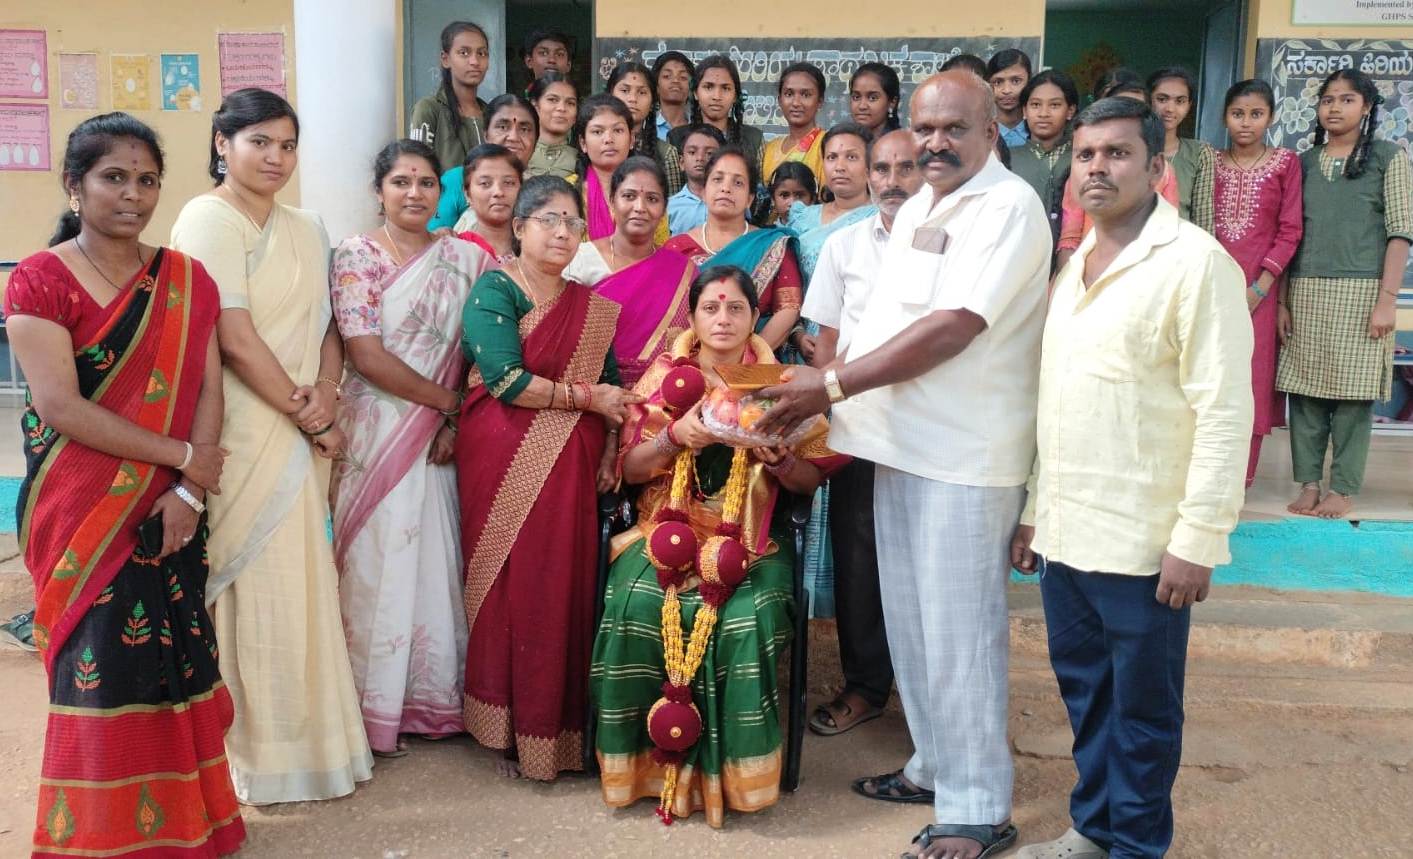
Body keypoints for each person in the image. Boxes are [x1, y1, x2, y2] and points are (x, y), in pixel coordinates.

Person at [756, 70, 1052, 859]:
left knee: (959, 635)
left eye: (954, 128)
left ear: (991, 129)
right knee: (915, 629)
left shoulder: (1007, 207)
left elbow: (953, 326)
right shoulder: (921, 203)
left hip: (964, 455)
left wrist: (828, 386)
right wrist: (820, 396)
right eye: (924, 128)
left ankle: (977, 806)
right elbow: (881, 322)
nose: (935, 143)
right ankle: (933, 767)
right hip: (896, 445)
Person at [1011, 96, 1253, 859]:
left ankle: (1136, 846)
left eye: (1116, 153)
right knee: (1086, 694)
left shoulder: (1195, 265)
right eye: (1084, 155)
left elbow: (1224, 410)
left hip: (1146, 544)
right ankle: (1094, 827)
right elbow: (1057, 399)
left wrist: (1198, 537)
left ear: (1156, 168)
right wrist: (1034, 507)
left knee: (1143, 712)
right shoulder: (1074, 265)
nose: (1096, 167)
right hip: (1067, 533)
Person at [9, 112, 244, 857]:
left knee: (173, 661)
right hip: (81, 512)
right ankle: (101, 838)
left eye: (147, 179)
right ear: (75, 185)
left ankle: (191, 825)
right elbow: (60, 405)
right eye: (114, 177)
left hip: (172, 505)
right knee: (102, 669)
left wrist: (190, 490)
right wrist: (183, 456)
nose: (133, 194)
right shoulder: (40, 279)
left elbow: (208, 387)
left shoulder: (186, 280)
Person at [170, 88, 373, 804]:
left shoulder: (307, 226)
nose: (276, 158)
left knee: (302, 582)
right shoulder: (208, 218)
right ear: (221, 143)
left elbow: (329, 324)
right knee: (250, 585)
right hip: (243, 426)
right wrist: (307, 413)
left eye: (287, 145)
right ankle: (254, 755)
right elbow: (232, 335)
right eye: (259, 142)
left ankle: (314, 748)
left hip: (302, 420)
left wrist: (326, 388)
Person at [590, 266, 848, 827]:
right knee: (634, 601)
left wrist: (782, 461)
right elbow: (629, 470)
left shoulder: (783, 381)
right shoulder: (667, 376)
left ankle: (733, 779)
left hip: (753, 540)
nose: (723, 319)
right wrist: (672, 436)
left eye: (736, 308)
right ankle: (640, 770)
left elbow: (811, 483)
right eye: (711, 308)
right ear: (692, 317)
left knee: (746, 617)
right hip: (662, 529)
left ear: (755, 316)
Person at [456, 176, 642, 780]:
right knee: (514, 584)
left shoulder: (591, 307)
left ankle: (557, 733)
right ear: (519, 227)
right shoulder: (496, 289)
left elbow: (614, 389)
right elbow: (506, 380)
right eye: (549, 220)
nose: (563, 232)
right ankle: (504, 727)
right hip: (502, 455)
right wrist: (586, 400)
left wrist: (611, 449)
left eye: (573, 223)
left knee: (564, 585)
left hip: (575, 466)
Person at [330, 140, 493, 758]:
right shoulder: (357, 255)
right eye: (401, 182)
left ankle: (430, 700)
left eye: (426, 183)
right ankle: (369, 706)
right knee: (376, 562)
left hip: (440, 437)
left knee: (433, 559)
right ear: (380, 191)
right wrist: (447, 404)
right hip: (376, 431)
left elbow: (479, 348)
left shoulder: (465, 259)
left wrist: (454, 418)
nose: (415, 193)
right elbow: (364, 354)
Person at [800, 128, 924, 739]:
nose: (892, 181)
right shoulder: (844, 246)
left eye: (906, 167)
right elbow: (826, 341)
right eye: (883, 169)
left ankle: (929, 697)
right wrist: (827, 413)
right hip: (859, 421)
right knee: (857, 557)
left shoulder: (948, 242)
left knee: (928, 562)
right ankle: (866, 687)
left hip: (932, 425)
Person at [1277, 69, 1412, 519]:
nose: (1334, 108)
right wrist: (1282, 302)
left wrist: (1387, 300)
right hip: (1306, 290)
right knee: (1306, 394)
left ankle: (1343, 488)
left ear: (1367, 107)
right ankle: (1309, 483)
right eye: (1328, 99)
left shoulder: (1388, 158)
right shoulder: (1303, 163)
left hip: (1363, 292)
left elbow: (1401, 232)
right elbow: (1291, 234)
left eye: (1347, 99)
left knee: (1353, 397)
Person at [1212, 79, 1303, 487]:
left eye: (1256, 114)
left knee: (1252, 377)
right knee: (1210, 372)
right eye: (1237, 114)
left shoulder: (1285, 164)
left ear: (1271, 118)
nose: (1246, 123)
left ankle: (1241, 477)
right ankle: (1209, 470)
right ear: (1224, 117)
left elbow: (1290, 230)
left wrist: (1261, 288)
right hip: (1212, 288)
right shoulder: (1210, 162)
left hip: (1259, 294)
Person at [562, 158, 697, 384]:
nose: (640, 207)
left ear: (664, 210)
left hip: (660, 392)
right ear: (612, 202)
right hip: (589, 388)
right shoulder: (579, 260)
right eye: (629, 196)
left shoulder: (683, 271)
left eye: (652, 199)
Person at [662, 146, 802, 351]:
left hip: (759, 360)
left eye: (738, 183)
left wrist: (748, 359)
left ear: (750, 199)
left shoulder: (773, 244)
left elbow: (789, 308)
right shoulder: (677, 248)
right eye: (718, 179)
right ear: (704, 191)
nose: (726, 188)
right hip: (689, 357)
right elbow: (665, 313)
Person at [430, 94, 538, 232]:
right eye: (503, 127)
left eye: (524, 129)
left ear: (536, 139)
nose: (513, 137)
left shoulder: (543, 191)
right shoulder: (456, 180)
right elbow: (431, 239)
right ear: (486, 135)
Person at [577, 94, 668, 244]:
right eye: (598, 132)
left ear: (632, 139)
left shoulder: (651, 190)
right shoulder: (569, 191)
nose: (608, 139)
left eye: (618, 130)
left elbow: (660, 249)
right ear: (583, 143)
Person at [1009, 69, 1079, 253]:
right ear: (1025, 111)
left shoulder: (1082, 158)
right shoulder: (1007, 159)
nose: (1043, 113)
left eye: (1054, 105)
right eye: (1035, 105)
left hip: (1072, 256)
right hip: (1019, 254)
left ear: (1070, 111)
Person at [409, 21, 490, 178]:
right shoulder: (429, 109)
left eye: (482, 53)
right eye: (464, 53)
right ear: (445, 59)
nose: (475, 61)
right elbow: (417, 170)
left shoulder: (491, 113)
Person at [668, 56, 764, 177]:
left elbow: (758, 186)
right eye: (708, 87)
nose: (717, 96)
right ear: (696, 93)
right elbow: (673, 188)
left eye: (725, 88)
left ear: (735, 96)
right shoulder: (676, 138)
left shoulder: (754, 138)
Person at [1148, 66, 1217, 223]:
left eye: (1180, 101)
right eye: (1162, 99)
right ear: (1149, 100)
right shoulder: (1131, 151)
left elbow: (1203, 219)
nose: (1170, 109)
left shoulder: (1200, 153)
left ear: (1189, 105)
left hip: (1182, 238)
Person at [607, 60, 685, 194]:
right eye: (625, 90)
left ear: (652, 103)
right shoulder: (597, 145)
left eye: (642, 92)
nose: (632, 98)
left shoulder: (666, 153)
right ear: (610, 96)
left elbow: (673, 204)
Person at [762, 62, 828, 191]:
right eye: (789, 94)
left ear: (820, 101)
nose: (796, 103)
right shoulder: (769, 149)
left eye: (806, 95)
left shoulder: (827, 145)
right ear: (779, 100)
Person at [455, 143, 524, 263]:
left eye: (508, 183)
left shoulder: (537, 247)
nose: (498, 192)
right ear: (467, 194)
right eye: (485, 183)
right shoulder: (455, 250)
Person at [667, 123, 725, 235]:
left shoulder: (729, 202)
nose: (700, 158)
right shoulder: (669, 207)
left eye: (709, 153)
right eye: (692, 152)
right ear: (681, 162)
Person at [528, 72, 579, 180]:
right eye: (552, 100)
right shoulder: (518, 153)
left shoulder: (582, 160)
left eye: (570, 103)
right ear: (535, 106)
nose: (562, 108)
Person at [987, 48, 1032, 147]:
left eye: (1016, 81)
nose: (1007, 90)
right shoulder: (980, 133)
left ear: (1029, 82)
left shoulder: (1040, 132)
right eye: (998, 82)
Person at [849, 62, 902, 139]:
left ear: (892, 102)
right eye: (856, 97)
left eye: (872, 98)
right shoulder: (841, 141)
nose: (862, 106)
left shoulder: (901, 143)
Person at [652, 50, 695, 140]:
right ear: (656, 86)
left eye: (683, 77)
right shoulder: (647, 127)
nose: (675, 80)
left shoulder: (699, 129)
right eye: (667, 76)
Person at [768, 161, 817, 225]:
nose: (792, 203)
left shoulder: (822, 229)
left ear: (812, 199)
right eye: (784, 195)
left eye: (799, 196)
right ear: (773, 199)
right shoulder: (767, 231)